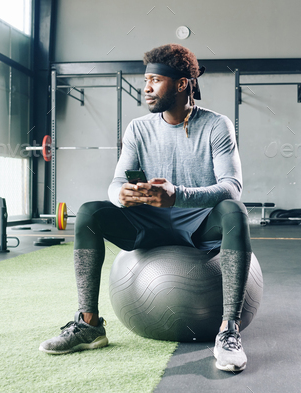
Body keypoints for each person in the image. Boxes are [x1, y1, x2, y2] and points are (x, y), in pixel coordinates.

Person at [39, 43, 252, 372]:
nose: (147, 87)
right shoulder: (138, 128)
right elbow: (115, 183)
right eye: (145, 80)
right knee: (89, 213)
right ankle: (90, 324)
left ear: (182, 84)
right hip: (148, 224)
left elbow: (231, 187)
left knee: (235, 212)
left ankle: (228, 331)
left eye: (155, 80)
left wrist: (177, 195)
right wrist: (120, 195)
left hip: (198, 223)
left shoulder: (216, 125)